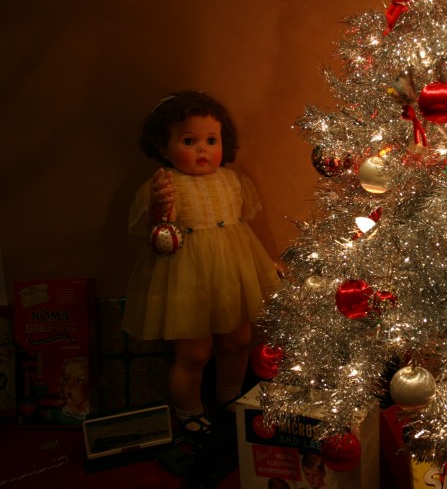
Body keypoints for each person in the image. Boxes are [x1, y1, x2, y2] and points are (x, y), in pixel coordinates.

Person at [123, 91, 282, 436]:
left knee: (238, 340)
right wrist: (159, 206)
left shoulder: (233, 179)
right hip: (187, 276)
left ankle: (229, 394)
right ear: (163, 147)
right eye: (189, 141)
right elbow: (156, 227)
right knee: (194, 353)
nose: (202, 150)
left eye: (211, 140)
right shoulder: (165, 183)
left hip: (231, 271)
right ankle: (189, 408)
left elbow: (242, 226)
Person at [60, 355, 91, 420]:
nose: (70, 386)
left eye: (79, 381)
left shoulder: (96, 416)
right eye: (67, 379)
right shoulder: (55, 414)